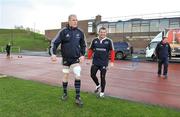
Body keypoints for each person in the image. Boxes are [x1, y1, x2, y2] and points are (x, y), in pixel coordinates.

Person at [50, 14, 86, 107]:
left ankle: (78, 97)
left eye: (76, 20)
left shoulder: (80, 32)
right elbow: (54, 42)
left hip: (75, 59)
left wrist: (82, 55)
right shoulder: (63, 31)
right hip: (66, 59)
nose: (75, 21)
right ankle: (65, 93)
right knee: (65, 75)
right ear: (69, 21)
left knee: (77, 73)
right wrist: (53, 53)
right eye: (73, 20)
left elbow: (83, 45)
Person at [87, 27, 115, 98]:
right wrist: (88, 58)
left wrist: (111, 62)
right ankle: (98, 85)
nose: (102, 33)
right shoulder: (94, 40)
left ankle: (102, 93)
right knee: (92, 75)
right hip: (95, 62)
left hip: (104, 63)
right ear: (98, 32)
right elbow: (90, 50)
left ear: (106, 33)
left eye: (104, 32)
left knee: (102, 77)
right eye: (101, 32)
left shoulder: (109, 41)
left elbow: (112, 52)